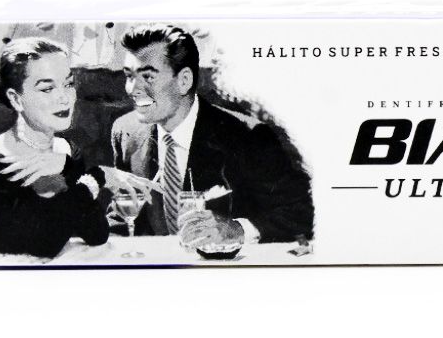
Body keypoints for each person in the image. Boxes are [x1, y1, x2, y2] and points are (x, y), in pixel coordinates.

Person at [111, 23, 313, 249]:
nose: (132, 89)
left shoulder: (248, 136)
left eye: (148, 77)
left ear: (184, 80)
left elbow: (301, 212)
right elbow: (123, 212)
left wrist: (238, 229)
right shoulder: (126, 132)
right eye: (129, 76)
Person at [0, 38, 149, 258]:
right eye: (47, 88)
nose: (65, 98)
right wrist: (97, 176)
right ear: (16, 99)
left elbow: (97, 233)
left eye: (68, 84)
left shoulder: (67, 151)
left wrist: (70, 168)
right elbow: (44, 244)